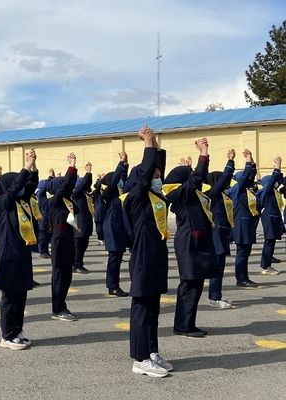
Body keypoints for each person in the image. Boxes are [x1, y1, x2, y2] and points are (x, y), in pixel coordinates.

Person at [122, 125, 173, 378]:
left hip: (155, 258)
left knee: (153, 308)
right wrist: (147, 142)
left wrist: (157, 144)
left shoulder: (155, 198)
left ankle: (152, 352)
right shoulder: (135, 198)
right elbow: (144, 173)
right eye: (153, 175)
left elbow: (156, 166)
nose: (157, 177)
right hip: (142, 259)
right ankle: (139, 358)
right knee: (142, 309)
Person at [164, 138, 217, 338]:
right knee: (189, 285)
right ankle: (183, 326)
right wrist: (204, 153)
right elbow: (195, 179)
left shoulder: (188, 193)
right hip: (189, 244)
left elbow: (195, 179)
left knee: (195, 285)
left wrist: (190, 167)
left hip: (196, 243)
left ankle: (188, 324)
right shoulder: (182, 193)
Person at [0, 149, 38, 350]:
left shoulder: (21, 202)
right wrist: (26, 165)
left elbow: (31, 185)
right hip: (9, 253)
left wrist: (33, 165)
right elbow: (15, 189)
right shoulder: (3, 202)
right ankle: (7, 335)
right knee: (10, 295)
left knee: (21, 293)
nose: (20, 189)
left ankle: (17, 330)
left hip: (22, 251)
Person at [48, 153, 79, 321]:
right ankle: (57, 308)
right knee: (60, 275)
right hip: (59, 241)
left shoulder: (68, 201)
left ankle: (62, 305)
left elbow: (70, 185)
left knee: (67, 275)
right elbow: (66, 185)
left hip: (68, 239)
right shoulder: (55, 200)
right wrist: (72, 167)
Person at [204, 149, 236, 309]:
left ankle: (216, 295)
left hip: (221, 235)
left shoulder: (220, 195)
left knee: (219, 267)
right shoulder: (212, 193)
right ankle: (214, 297)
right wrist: (230, 162)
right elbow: (223, 180)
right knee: (217, 268)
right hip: (215, 236)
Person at [227, 149, 260, 288]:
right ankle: (240, 279)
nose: (249, 180)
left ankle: (244, 277)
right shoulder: (237, 189)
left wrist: (252, 162)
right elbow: (247, 175)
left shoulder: (246, 190)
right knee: (242, 253)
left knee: (246, 253)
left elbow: (250, 175)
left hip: (247, 225)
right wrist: (247, 160)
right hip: (241, 226)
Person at [101, 152, 129, 297]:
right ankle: (112, 286)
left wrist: (125, 165)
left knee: (116, 258)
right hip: (112, 228)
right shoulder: (110, 191)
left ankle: (113, 285)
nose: (120, 182)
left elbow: (122, 178)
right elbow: (115, 181)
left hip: (119, 228)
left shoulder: (120, 191)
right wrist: (120, 163)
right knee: (114, 259)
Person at [257, 156, 283, 275]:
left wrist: (278, 169)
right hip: (269, 218)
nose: (277, 184)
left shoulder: (272, 191)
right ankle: (266, 266)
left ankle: (267, 262)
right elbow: (273, 180)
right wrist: (277, 167)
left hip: (274, 218)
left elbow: (279, 180)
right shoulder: (266, 191)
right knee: (269, 241)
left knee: (271, 241)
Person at [72, 162, 94, 273]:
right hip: (78, 224)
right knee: (78, 247)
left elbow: (86, 184)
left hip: (85, 223)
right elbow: (84, 184)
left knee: (83, 245)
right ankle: (76, 265)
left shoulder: (85, 194)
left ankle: (78, 264)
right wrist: (88, 172)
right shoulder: (76, 193)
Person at [37, 169, 54, 259]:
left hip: (48, 217)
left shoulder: (47, 196)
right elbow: (45, 187)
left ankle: (46, 251)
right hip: (43, 218)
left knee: (47, 236)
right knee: (43, 236)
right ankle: (42, 251)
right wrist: (50, 177)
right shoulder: (41, 195)